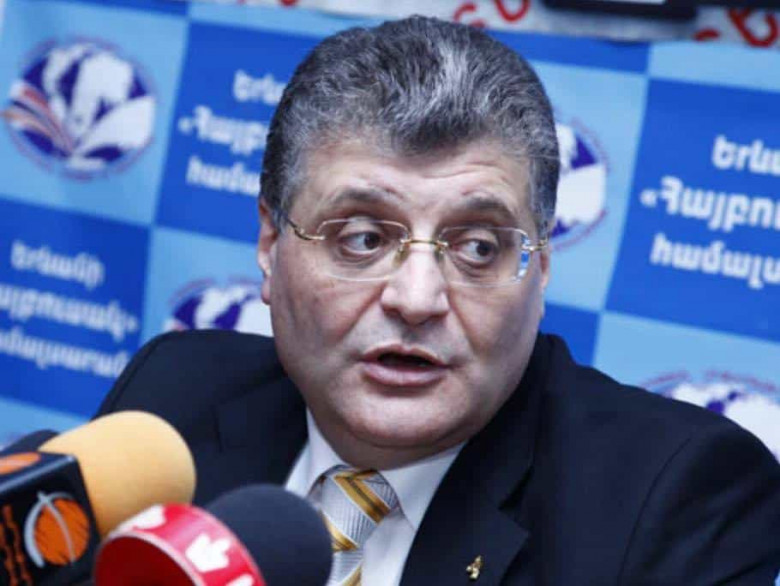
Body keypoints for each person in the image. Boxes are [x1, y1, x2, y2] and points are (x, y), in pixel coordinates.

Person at [96, 16, 780, 585]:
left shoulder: (677, 499)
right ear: (272, 245)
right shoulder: (169, 397)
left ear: (540, 270)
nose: (417, 299)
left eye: (478, 247)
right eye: (363, 239)